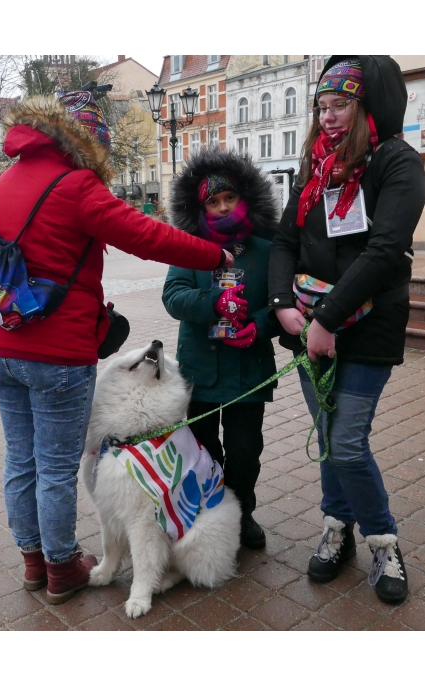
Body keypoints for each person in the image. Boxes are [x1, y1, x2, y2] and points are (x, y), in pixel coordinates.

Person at [0, 91, 234, 605]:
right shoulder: (75, 185)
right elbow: (148, 236)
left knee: (20, 461)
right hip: (58, 355)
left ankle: (31, 560)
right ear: (88, 141)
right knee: (54, 467)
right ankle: (60, 566)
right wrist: (216, 254)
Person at [268, 56, 425, 604]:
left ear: (367, 109)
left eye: (342, 106)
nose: (329, 117)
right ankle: (338, 526)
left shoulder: (397, 164)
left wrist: (327, 319)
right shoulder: (315, 167)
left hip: (367, 324)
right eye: (323, 106)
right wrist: (283, 304)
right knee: (331, 439)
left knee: (348, 444)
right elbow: (285, 240)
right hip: (312, 323)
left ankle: (383, 541)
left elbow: (385, 250)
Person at [162, 147, 282, 550]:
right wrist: (213, 301)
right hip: (202, 372)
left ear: (244, 197)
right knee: (203, 451)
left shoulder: (267, 248)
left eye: (229, 198)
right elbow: (174, 296)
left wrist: (259, 325)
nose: (222, 207)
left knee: (246, 453)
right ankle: (210, 516)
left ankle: (242, 513)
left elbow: (282, 302)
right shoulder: (188, 246)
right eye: (213, 201)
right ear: (201, 208)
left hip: (249, 370)